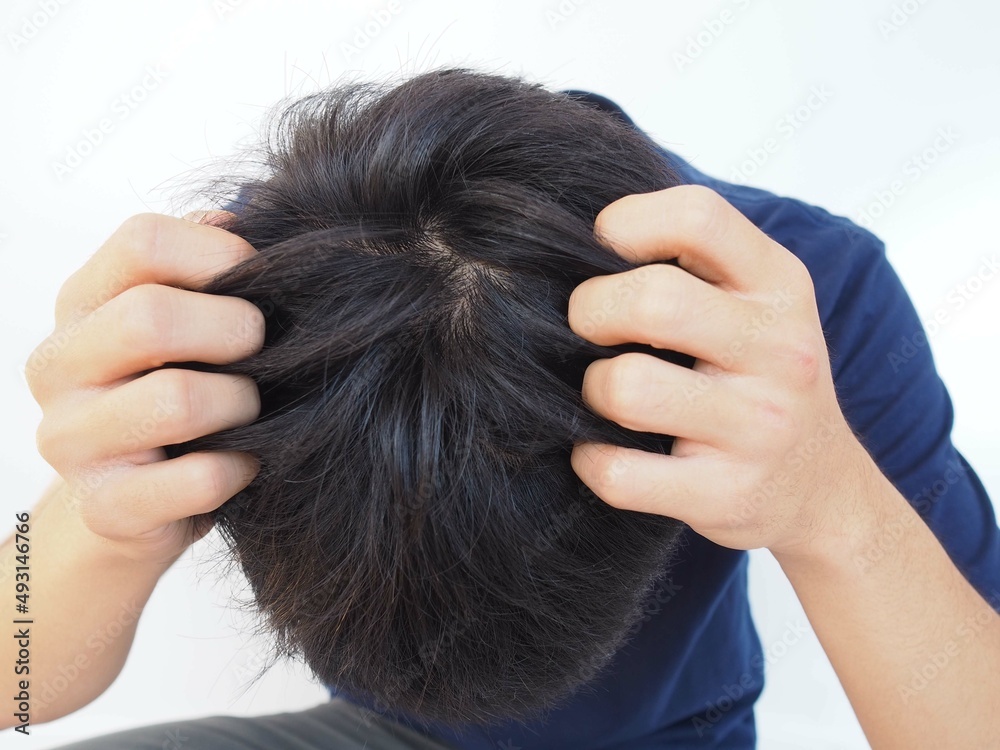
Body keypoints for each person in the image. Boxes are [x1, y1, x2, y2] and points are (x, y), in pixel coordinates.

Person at [2, 69, 998, 750]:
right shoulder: (252, 301)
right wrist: (103, 513)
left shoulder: (807, 302)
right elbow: (12, 674)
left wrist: (838, 512)